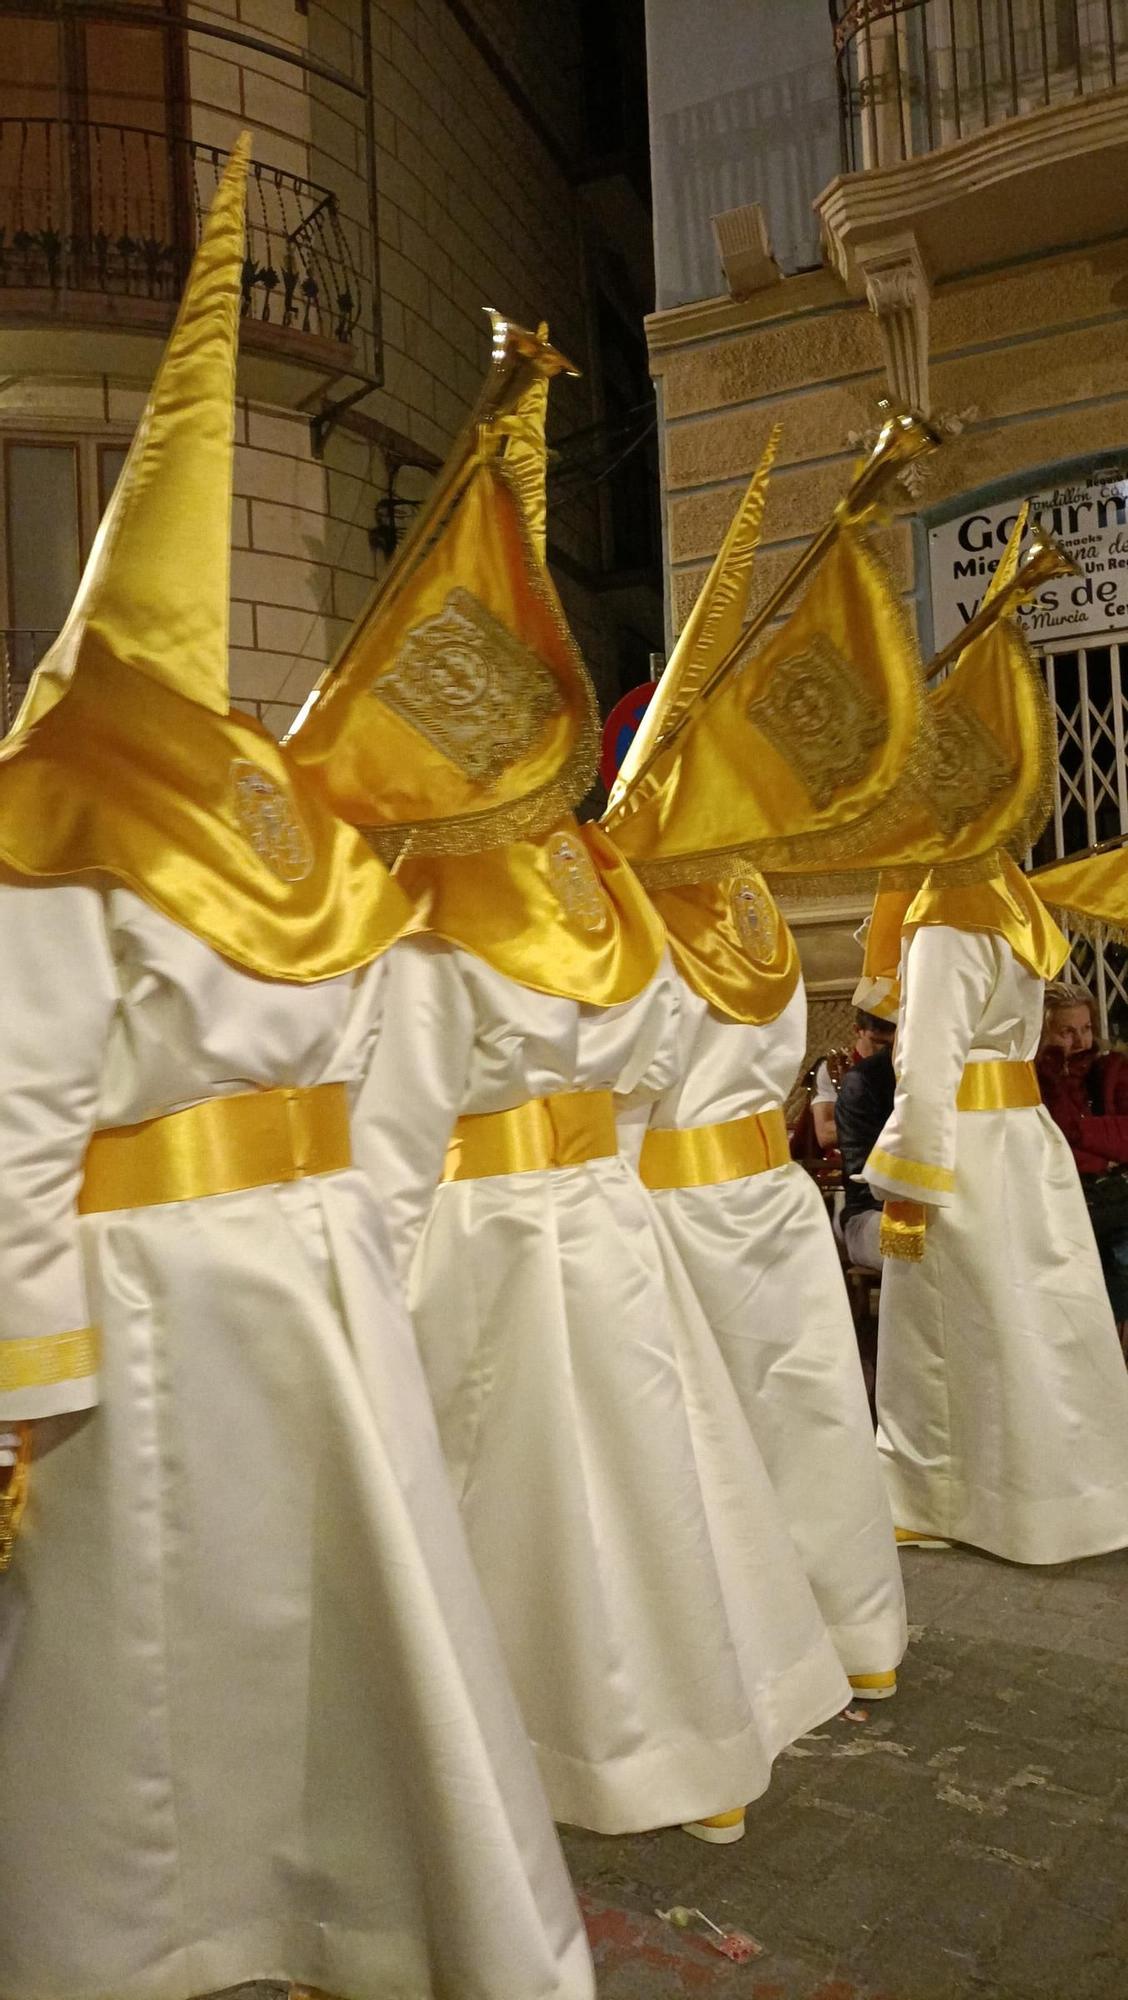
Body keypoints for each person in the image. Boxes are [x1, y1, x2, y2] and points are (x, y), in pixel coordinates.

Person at [0, 150, 594, 2000]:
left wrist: (21, 1377)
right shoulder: (305, 824)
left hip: (154, 1299)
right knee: (354, 1624)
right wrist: (374, 1252)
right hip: (319, 1273)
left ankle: (154, 1944)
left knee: (148, 1667)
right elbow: (396, 1094)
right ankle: (376, 1916)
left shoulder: (56, 800)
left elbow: (19, 1110)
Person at [290, 330, 851, 1846]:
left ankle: (531, 1765)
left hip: (486, 1244)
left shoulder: (430, 925)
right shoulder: (610, 904)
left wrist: (358, 1296)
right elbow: (667, 1065)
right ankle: (706, 1755)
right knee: (664, 1492)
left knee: (522, 1521)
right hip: (612, 1222)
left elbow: (397, 1145)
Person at [600, 428, 926, 1701]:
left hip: (672, 1216)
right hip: (768, 1206)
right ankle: (854, 1641)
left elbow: (619, 1086)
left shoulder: (636, 921)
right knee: (806, 1435)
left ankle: (737, 1677)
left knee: (706, 1458)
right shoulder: (755, 910)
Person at [849, 516, 1128, 1563]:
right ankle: (1071, 1493)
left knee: (951, 1341)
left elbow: (926, 1048)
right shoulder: (1008, 896)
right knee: (1038, 1324)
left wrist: (909, 1178)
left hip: (959, 1147)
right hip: (1018, 1138)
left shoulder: (949, 902)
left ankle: (944, 1498)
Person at [1037, 983, 1128, 1345]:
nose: (1080, 1041)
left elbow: (1074, 1134)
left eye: (1086, 1029)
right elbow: (1054, 1140)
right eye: (1067, 1031)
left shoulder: (1112, 1069)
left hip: (1113, 1194)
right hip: (1065, 1197)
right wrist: (1104, 1145)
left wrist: (1081, 1133)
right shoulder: (1037, 1078)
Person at [835, 1039, 897, 1273]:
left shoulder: (949, 1075)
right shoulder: (864, 1079)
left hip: (938, 1208)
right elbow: (862, 1179)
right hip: (869, 1211)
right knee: (934, 1247)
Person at [811, 1010, 896, 1152]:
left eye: (890, 1044)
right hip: (848, 1159)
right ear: (857, 1030)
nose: (883, 1050)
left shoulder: (900, 1064)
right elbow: (825, 1135)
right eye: (876, 1041)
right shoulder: (833, 1066)